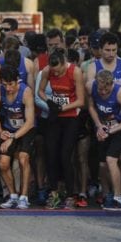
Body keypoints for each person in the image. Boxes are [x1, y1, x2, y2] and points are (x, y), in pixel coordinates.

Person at [38, 48, 85, 209]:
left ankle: (71, 194)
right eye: (54, 72)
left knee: (65, 155)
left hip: (71, 116)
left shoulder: (75, 72)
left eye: (58, 72)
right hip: (55, 116)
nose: (56, 75)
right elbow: (41, 91)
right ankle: (54, 192)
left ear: (64, 64)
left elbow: (80, 101)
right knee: (50, 153)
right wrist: (50, 102)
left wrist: (62, 108)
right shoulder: (47, 70)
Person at [88, 69, 121, 210]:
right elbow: (91, 106)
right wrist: (99, 126)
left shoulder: (120, 93)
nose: (102, 92)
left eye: (105, 89)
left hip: (120, 128)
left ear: (111, 85)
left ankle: (117, 198)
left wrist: (109, 131)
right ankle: (118, 194)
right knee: (102, 165)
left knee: (111, 160)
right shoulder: (91, 87)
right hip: (103, 127)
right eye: (100, 89)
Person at [0, 64, 36, 210]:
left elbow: (29, 122)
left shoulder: (26, 92)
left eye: (10, 84)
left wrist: (12, 138)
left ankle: (24, 197)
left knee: (23, 159)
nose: (8, 88)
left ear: (18, 80)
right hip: (9, 129)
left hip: (25, 130)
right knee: (3, 163)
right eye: (5, 85)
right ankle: (13, 196)